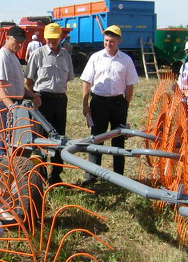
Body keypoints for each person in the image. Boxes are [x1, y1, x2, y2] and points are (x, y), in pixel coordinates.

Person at [80, 25, 139, 184]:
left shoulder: (126, 60)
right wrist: (86, 105)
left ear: (119, 41)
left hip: (118, 102)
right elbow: (86, 81)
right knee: (97, 138)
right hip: (99, 102)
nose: (108, 44)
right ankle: (91, 175)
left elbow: (130, 85)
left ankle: (118, 176)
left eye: (112, 41)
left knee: (118, 138)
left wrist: (124, 104)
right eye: (106, 40)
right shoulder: (95, 57)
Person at [25, 22, 74, 184]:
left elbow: (68, 78)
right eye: (49, 38)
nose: (52, 41)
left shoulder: (66, 55)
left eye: (55, 38)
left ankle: (56, 176)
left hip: (60, 101)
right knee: (40, 138)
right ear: (44, 38)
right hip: (42, 101)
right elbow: (28, 80)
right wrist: (34, 96)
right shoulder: (37, 54)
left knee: (59, 139)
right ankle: (39, 176)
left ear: (61, 37)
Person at [0, 25, 40, 131]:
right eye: (17, 41)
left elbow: (17, 86)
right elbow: (0, 88)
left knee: (14, 141)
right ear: (7, 38)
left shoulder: (13, 56)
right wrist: (12, 108)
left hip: (14, 104)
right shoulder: (2, 58)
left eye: (22, 42)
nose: (20, 45)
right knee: (6, 140)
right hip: (5, 105)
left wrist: (33, 95)